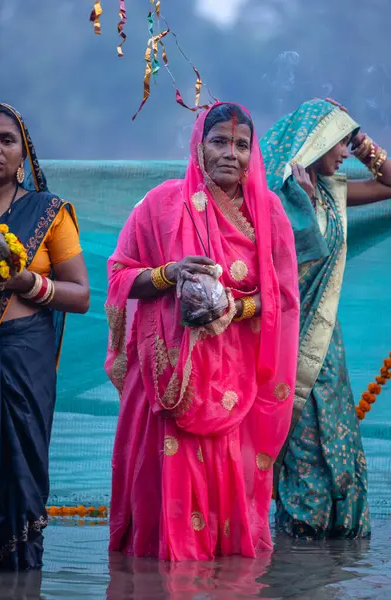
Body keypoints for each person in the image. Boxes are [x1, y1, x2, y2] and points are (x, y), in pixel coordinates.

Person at [105, 102, 300, 560]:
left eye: (242, 145)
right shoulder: (160, 205)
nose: (231, 153)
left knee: (225, 523)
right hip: (166, 378)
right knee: (159, 513)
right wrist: (168, 274)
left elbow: (284, 299)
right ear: (198, 148)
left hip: (234, 382)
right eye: (219, 142)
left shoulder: (268, 213)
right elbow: (117, 276)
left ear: (253, 154)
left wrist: (235, 306)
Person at [260, 98, 391, 539]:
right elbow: (283, 270)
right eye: (339, 140)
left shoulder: (335, 190)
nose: (344, 153)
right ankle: (301, 556)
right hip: (284, 342)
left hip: (326, 347)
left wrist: (360, 140)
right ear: (314, 141)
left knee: (339, 439)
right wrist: (301, 205)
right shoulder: (275, 197)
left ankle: (339, 550)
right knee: (301, 448)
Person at [0, 101, 89, 570]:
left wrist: (26, 283)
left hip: (24, 361)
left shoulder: (48, 212)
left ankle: (19, 580)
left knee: (21, 470)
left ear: (23, 152)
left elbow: (81, 294)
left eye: (6, 140)